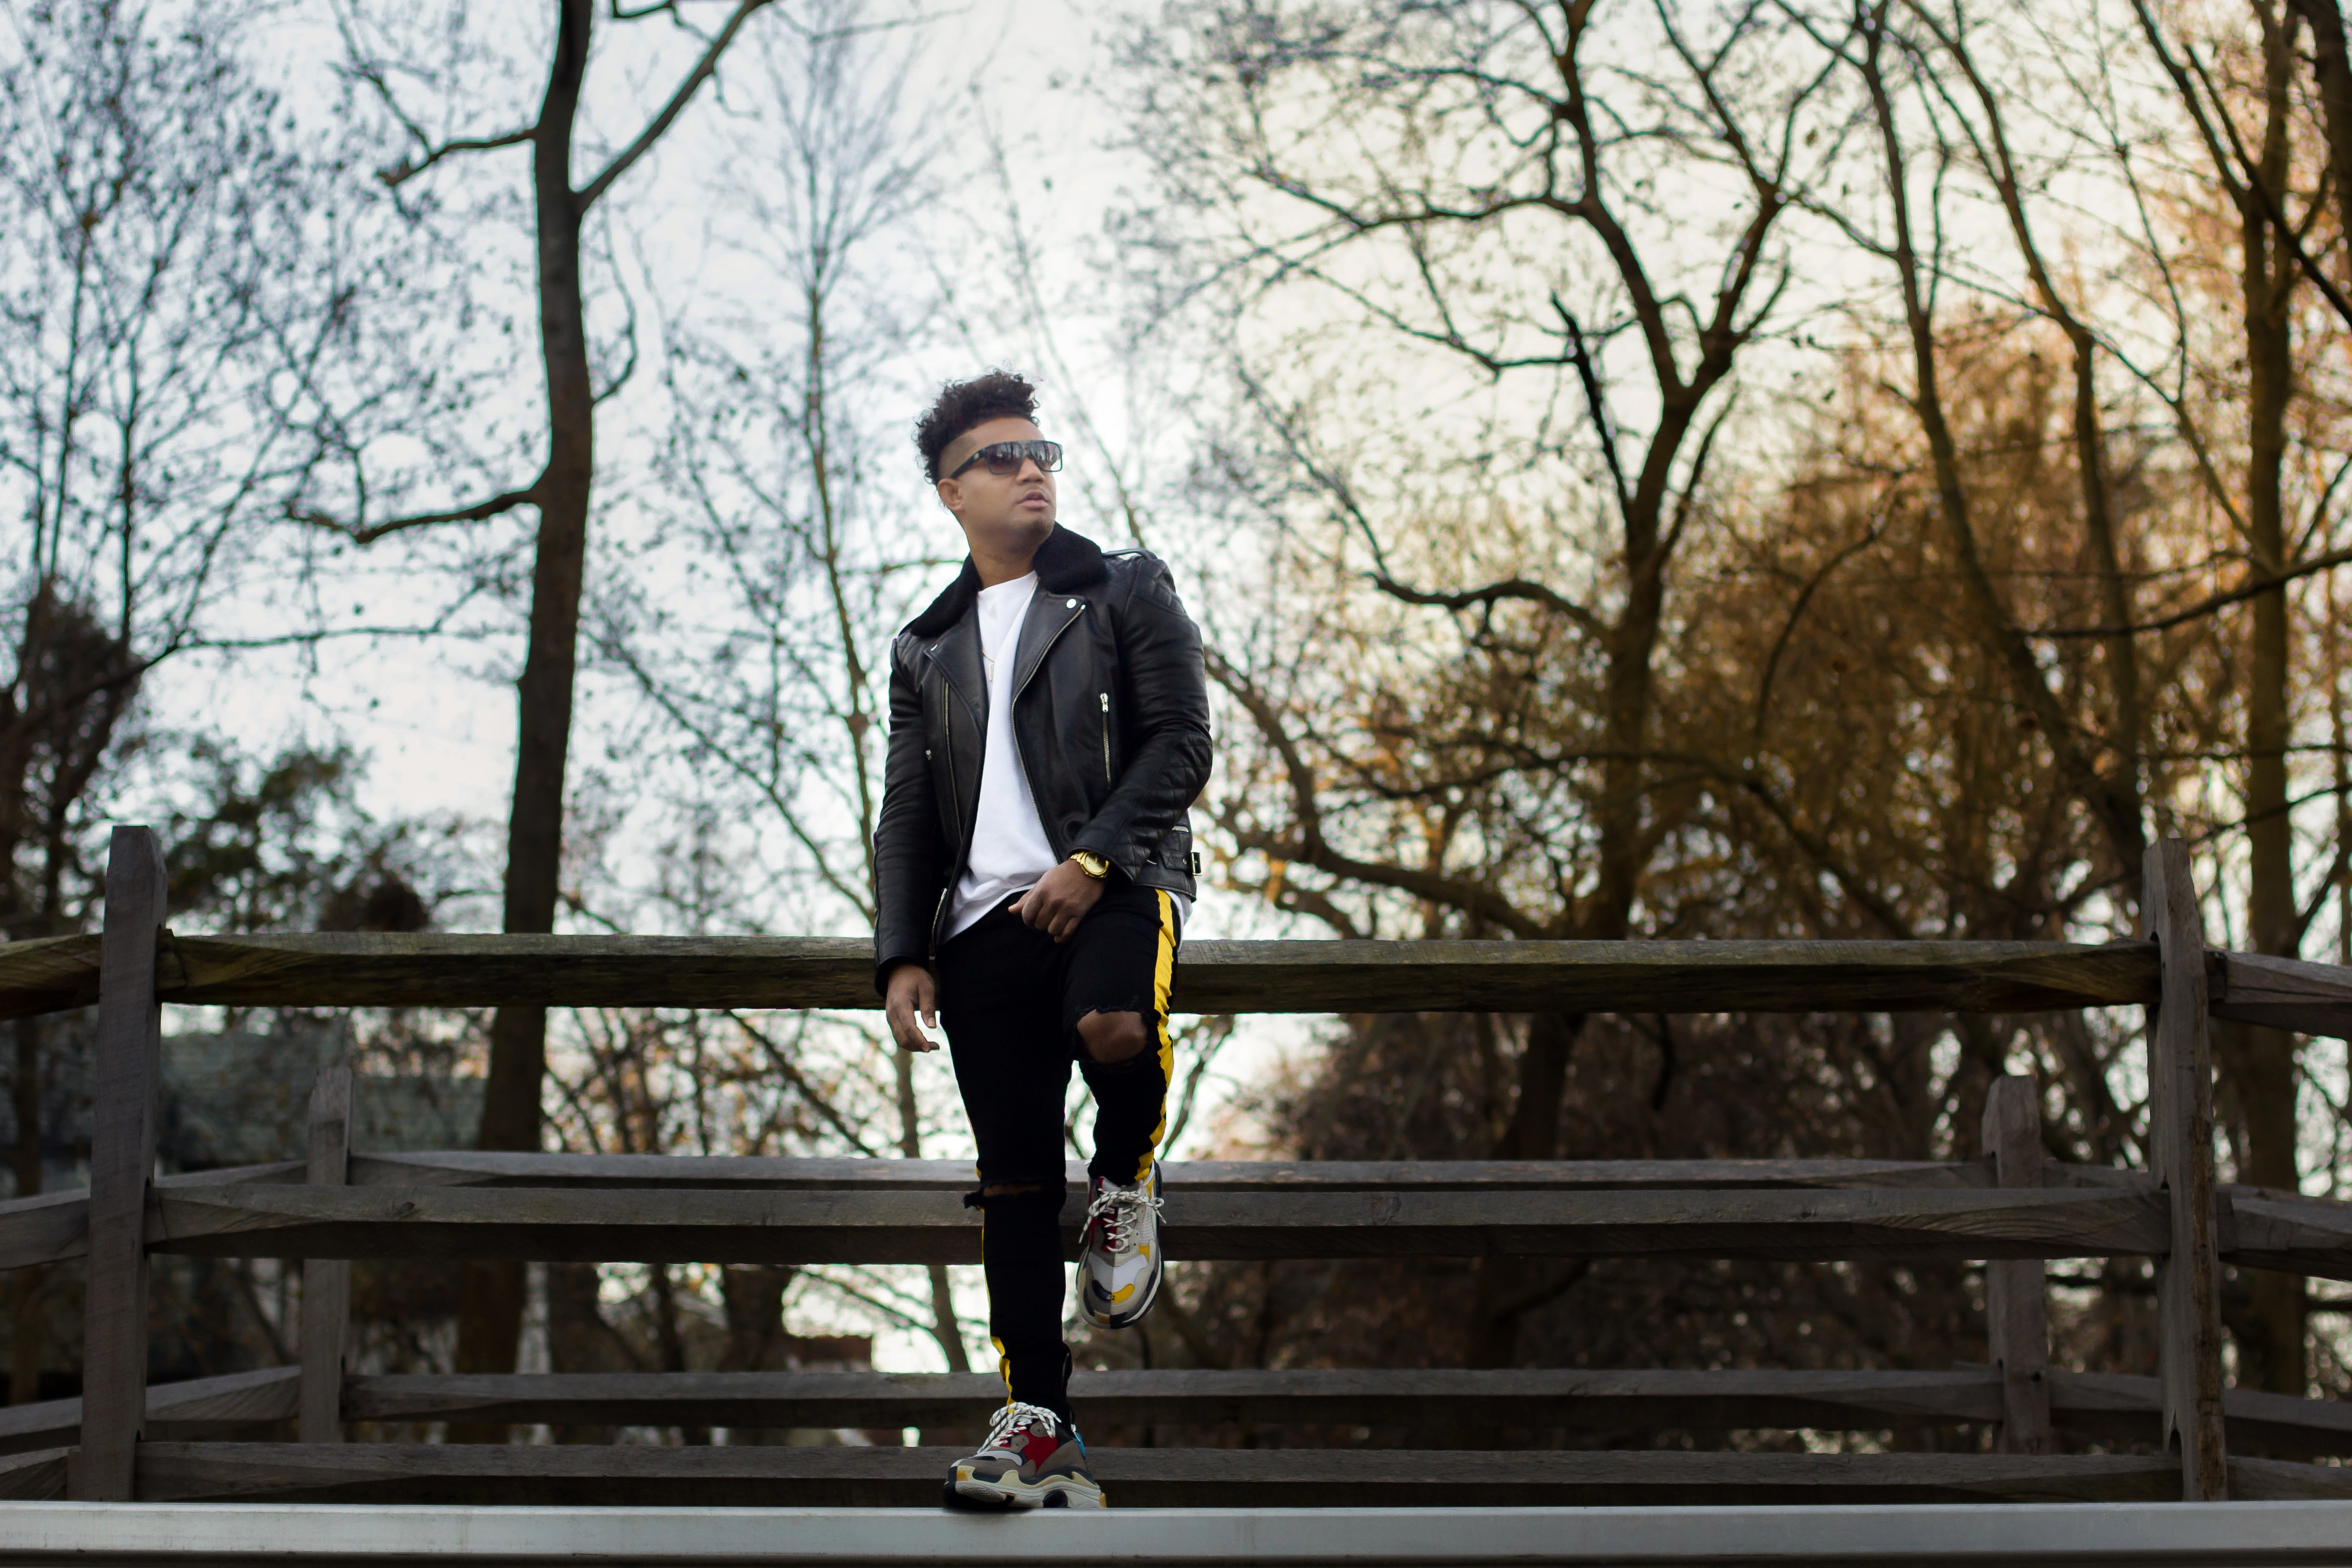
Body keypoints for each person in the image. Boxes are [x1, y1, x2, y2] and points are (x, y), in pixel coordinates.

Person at [873, 371, 1213, 1510]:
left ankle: (1124, 1178)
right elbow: (908, 813)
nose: (1031, 469)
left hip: (1112, 887)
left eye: (1041, 452)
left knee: (1115, 1027)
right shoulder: (925, 646)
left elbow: (1181, 742)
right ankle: (1039, 1428)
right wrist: (903, 950)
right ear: (950, 492)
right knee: (1014, 1184)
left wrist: (1093, 859)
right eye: (1001, 456)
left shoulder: (1123, 587)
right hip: (979, 933)